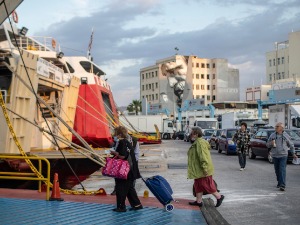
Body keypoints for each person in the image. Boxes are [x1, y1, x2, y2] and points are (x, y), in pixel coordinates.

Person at [187, 126, 224, 207]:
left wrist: (205, 168)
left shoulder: (200, 143)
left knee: (207, 185)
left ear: (196, 134)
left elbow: (203, 156)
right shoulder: (198, 142)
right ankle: (199, 201)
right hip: (198, 169)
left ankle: (219, 197)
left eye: (192, 133)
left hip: (203, 169)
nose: (190, 134)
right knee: (198, 185)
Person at [110, 126, 143, 212]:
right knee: (129, 187)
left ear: (119, 134)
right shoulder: (129, 142)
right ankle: (136, 204)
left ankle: (121, 206)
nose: (114, 135)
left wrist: (113, 153)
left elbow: (123, 156)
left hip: (124, 169)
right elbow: (133, 155)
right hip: (130, 168)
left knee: (120, 187)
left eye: (115, 134)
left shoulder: (122, 142)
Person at [266, 122, 298, 191]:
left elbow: (291, 145)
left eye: (277, 126)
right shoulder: (272, 135)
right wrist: (271, 143)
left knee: (282, 169)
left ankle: (282, 185)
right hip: (275, 155)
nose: (275, 128)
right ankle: (279, 182)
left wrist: (293, 154)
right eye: (275, 126)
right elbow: (267, 145)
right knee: (277, 170)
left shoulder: (286, 135)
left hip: (283, 155)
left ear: (281, 128)